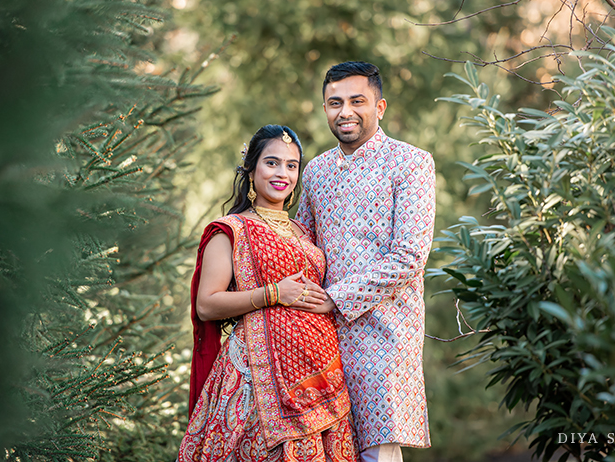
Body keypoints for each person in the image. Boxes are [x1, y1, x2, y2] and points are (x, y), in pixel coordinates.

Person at [179, 125, 358, 462]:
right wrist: (274, 292)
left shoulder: (304, 232)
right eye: (272, 163)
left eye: (292, 165)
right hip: (256, 380)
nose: (283, 174)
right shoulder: (231, 230)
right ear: (251, 170)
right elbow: (207, 305)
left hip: (321, 381)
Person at [295, 62, 436, 462]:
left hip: (384, 337)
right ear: (324, 109)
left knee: (376, 455)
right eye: (334, 103)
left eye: (357, 101)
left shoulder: (410, 163)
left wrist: (335, 297)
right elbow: (304, 245)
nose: (345, 112)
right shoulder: (317, 171)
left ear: (380, 106)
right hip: (320, 335)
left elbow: (409, 256)